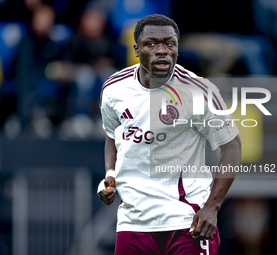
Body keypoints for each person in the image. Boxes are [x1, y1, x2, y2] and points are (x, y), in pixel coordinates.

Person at [98, 14, 241, 255]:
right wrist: (110, 175)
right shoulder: (114, 88)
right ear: (136, 49)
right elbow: (112, 134)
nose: (162, 50)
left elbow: (232, 146)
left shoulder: (198, 91)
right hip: (133, 223)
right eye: (151, 44)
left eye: (170, 43)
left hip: (188, 220)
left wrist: (212, 207)